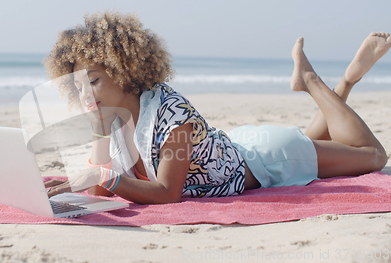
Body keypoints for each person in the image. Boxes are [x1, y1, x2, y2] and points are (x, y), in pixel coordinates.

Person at [44, 11, 390, 204]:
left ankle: (314, 81)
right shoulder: (112, 119)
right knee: (305, 138)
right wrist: (99, 138)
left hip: (269, 158)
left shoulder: (171, 112)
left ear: (123, 72)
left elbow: (166, 193)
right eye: (77, 87)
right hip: (245, 145)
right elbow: (99, 192)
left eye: (93, 81)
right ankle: (342, 85)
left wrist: (102, 174)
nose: (85, 95)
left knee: (372, 156)